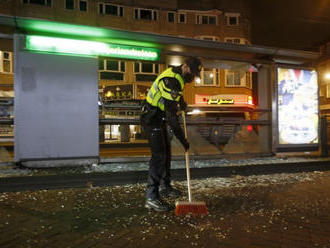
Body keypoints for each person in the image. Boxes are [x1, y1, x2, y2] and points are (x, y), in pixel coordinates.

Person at [140, 57, 202, 211]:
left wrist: (181, 102)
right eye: (192, 73)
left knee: (166, 153)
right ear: (185, 66)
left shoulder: (177, 76)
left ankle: (165, 186)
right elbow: (172, 118)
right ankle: (151, 197)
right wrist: (183, 140)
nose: (192, 77)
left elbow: (175, 95)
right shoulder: (170, 80)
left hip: (158, 117)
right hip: (151, 118)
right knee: (159, 156)